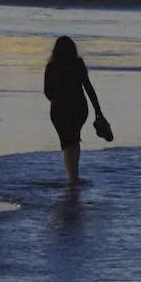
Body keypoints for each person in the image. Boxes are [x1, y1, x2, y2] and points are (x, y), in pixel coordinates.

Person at [43, 35, 104, 184]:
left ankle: (72, 177)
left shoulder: (51, 66)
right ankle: (74, 176)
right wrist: (98, 110)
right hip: (79, 106)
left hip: (59, 108)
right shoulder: (78, 64)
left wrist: (56, 98)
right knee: (74, 139)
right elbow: (88, 88)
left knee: (66, 142)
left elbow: (47, 91)